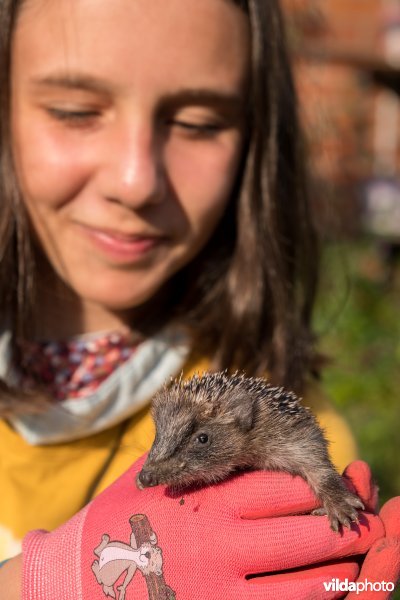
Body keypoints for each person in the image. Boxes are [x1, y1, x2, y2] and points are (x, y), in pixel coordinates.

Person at [0, 0, 398, 597]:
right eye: (74, 109)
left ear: (255, 150)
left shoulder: (293, 413)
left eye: (198, 123)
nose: (135, 182)